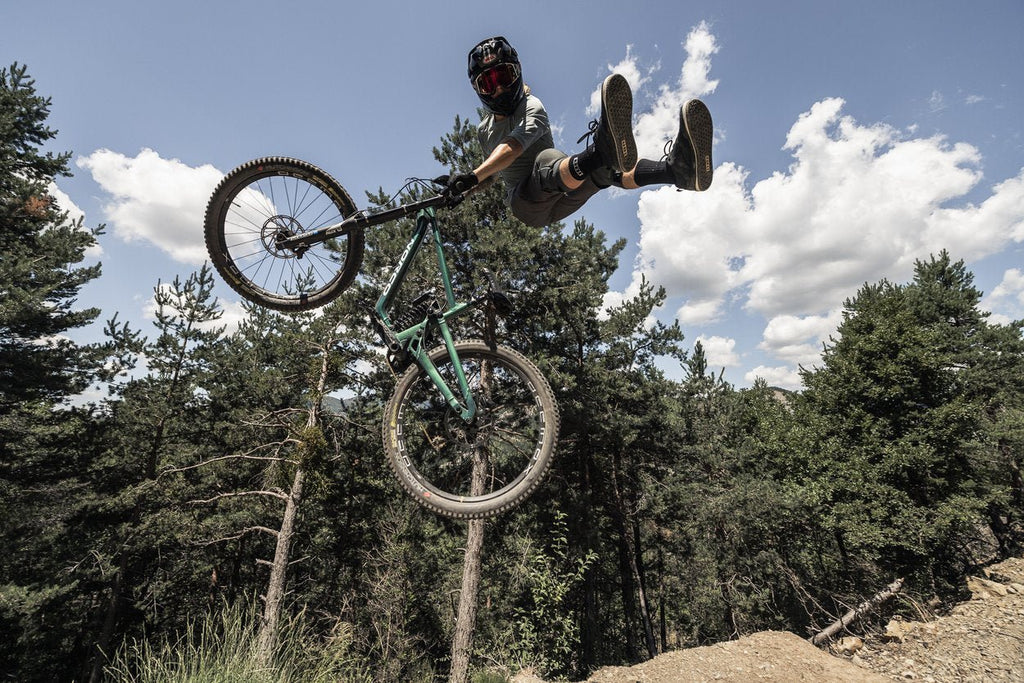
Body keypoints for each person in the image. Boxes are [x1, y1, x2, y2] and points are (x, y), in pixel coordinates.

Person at [445, 36, 714, 227]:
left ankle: (678, 171)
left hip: (564, 191)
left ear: (517, 74)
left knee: (605, 169)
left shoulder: (532, 106)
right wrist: (464, 189)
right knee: (552, 159)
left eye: (503, 77)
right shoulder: (484, 131)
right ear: (478, 90)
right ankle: (600, 151)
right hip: (528, 205)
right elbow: (492, 173)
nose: (499, 89)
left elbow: (513, 147)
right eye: (488, 83)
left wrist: (472, 176)